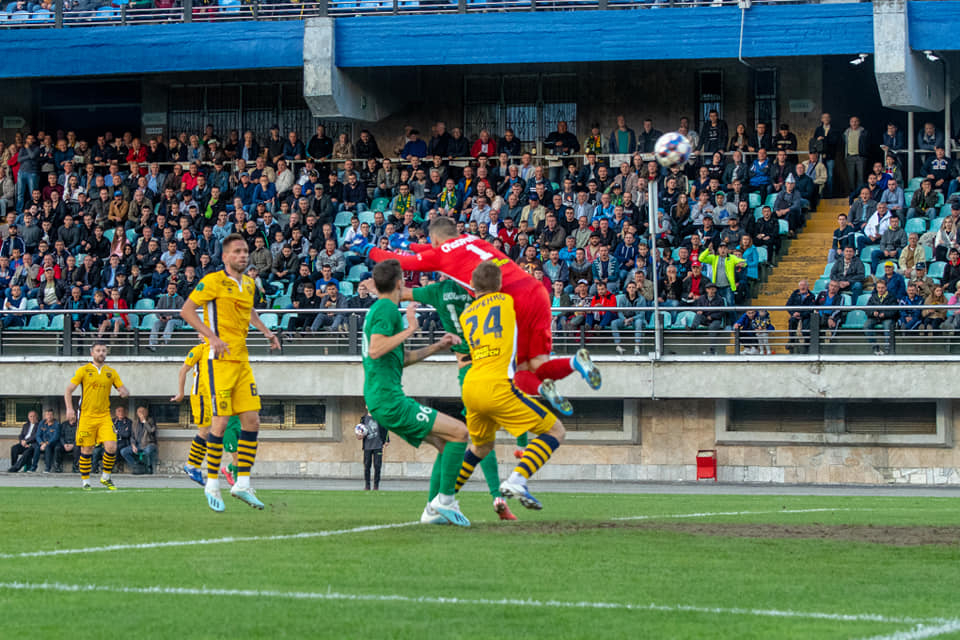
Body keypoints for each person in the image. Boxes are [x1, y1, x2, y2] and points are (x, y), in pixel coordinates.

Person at [353, 216, 601, 416]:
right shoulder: (471, 239)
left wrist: (368, 248)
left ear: (435, 238)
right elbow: (430, 249)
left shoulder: (441, 255)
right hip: (536, 291)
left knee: (520, 374)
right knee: (539, 362)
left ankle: (543, 388)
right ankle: (574, 363)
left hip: (511, 300)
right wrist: (409, 244)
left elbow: (400, 261)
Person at [361, 259, 471, 527]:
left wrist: (437, 346)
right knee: (461, 433)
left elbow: (402, 358)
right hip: (389, 400)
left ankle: (434, 510)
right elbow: (376, 349)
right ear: (400, 283)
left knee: (447, 443)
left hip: (382, 399)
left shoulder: (381, 309)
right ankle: (444, 502)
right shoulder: (386, 308)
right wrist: (411, 329)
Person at [399, 274, 516, 520]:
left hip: (466, 369)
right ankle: (493, 496)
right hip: (488, 364)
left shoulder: (439, 290)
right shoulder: (477, 290)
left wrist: (380, 283)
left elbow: (402, 294)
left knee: (468, 437)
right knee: (481, 436)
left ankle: (434, 505)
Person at [452, 261, 566, 511]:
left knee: (480, 447)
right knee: (555, 431)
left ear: (472, 285)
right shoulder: (506, 301)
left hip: (471, 385)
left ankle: (443, 499)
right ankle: (518, 479)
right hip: (497, 385)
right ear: (500, 284)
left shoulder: (467, 314)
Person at [180, 233, 282, 512]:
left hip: (242, 359)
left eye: (245, 251)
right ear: (225, 256)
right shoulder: (212, 281)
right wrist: (211, 337)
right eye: (237, 251)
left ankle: (242, 483)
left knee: (252, 421)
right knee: (221, 422)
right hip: (219, 361)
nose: (242, 255)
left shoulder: (248, 283)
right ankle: (212, 484)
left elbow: (250, 312)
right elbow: (187, 311)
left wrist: (267, 332)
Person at [64, 342, 131, 490]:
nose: (101, 353)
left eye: (104, 351)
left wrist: (125, 392)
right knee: (87, 449)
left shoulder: (111, 372)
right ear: (92, 353)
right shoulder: (83, 370)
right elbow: (68, 390)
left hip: (104, 416)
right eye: (98, 350)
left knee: (111, 446)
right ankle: (86, 481)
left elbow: (122, 389)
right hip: (86, 416)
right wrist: (69, 409)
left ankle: (106, 477)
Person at [356, 410, 388, 491]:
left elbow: (385, 429)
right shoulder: (363, 419)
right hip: (367, 447)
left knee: (377, 466)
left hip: (378, 446)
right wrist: (359, 436)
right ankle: (367, 485)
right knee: (367, 466)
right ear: (366, 407)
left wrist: (387, 440)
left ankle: (376, 486)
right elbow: (360, 431)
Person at [865, 279, 897, 356]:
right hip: (874, 318)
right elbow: (867, 309)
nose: (880, 290)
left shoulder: (892, 297)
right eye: (879, 288)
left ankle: (887, 350)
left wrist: (885, 314)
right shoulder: (873, 297)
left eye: (882, 288)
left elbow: (894, 311)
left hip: (887, 318)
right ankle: (875, 348)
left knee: (887, 326)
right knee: (866, 325)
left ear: (886, 287)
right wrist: (873, 313)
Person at [121, 406, 158, 474]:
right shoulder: (135, 423)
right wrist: (133, 445)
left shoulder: (151, 421)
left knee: (147, 451)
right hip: (137, 444)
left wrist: (144, 421)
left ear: (146, 412)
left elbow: (151, 431)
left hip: (148, 443)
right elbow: (132, 436)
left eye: (143, 411)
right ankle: (135, 465)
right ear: (137, 413)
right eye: (139, 412)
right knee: (123, 451)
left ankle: (149, 467)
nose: (141, 413)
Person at [36, 409, 61, 473]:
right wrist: (41, 443)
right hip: (43, 443)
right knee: (35, 447)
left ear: (53, 416)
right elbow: (38, 435)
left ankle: (47, 468)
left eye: (51, 415)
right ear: (45, 416)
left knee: (48, 447)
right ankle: (33, 467)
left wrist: (46, 443)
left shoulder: (56, 424)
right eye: (47, 415)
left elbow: (55, 437)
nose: (49, 416)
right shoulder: (42, 423)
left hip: (53, 442)